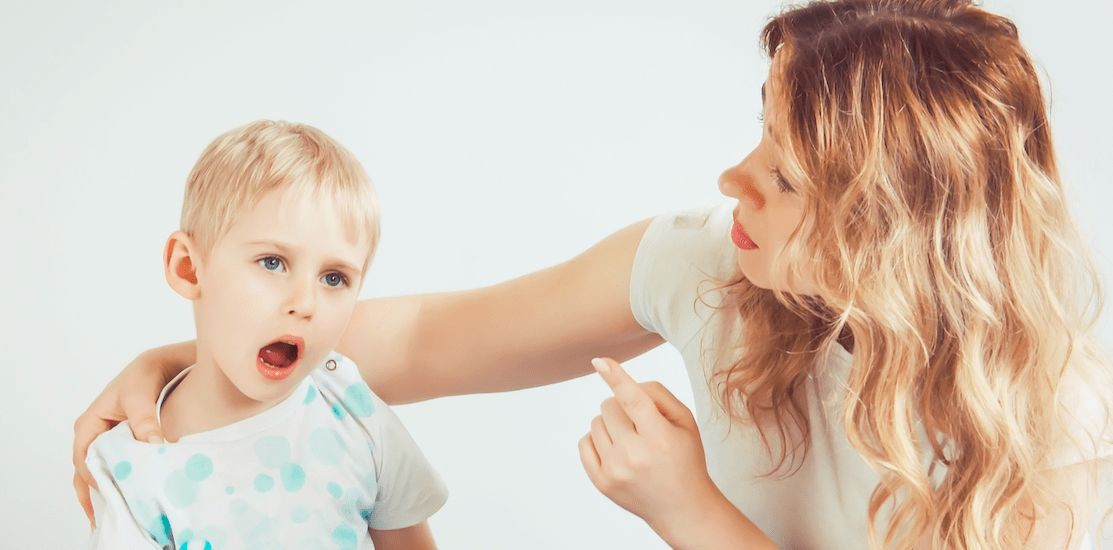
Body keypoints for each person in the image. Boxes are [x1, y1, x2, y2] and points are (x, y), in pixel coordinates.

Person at [75, 1, 1112, 548]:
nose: (732, 175)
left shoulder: (1050, 427)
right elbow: (432, 337)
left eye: (784, 173)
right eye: (761, 123)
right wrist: (187, 356)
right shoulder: (716, 259)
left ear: (888, 231)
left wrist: (685, 508)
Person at [83, 120, 447, 549]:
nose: (305, 302)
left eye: (333, 278)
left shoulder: (353, 412)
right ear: (188, 267)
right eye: (273, 262)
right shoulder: (133, 468)